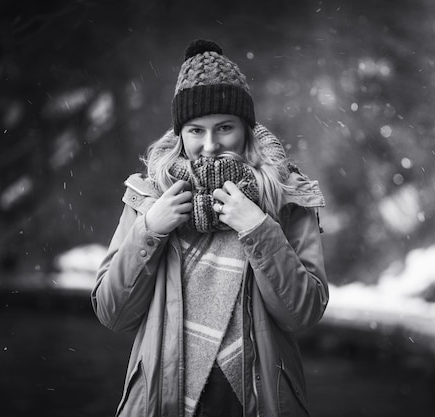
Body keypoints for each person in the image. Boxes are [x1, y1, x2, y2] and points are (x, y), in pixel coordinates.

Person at [91, 39, 329, 417]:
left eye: (224, 128)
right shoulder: (150, 196)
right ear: (180, 135)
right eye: (195, 131)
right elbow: (112, 312)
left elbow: (302, 313)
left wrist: (258, 229)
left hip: (260, 401)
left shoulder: (286, 197)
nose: (210, 145)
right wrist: (151, 229)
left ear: (246, 128)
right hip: (161, 402)